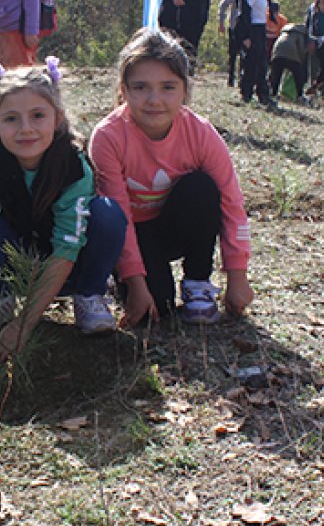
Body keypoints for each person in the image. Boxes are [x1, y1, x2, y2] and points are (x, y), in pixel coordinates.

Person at [0, 60, 126, 361]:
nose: (25, 128)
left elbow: (67, 246)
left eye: (38, 116)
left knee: (107, 214)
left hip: (65, 269)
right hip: (14, 263)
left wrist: (25, 324)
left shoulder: (73, 165)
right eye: (11, 119)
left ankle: (89, 296)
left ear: (57, 118)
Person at [89, 28, 254, 327]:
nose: (154, 99)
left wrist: (237, 276)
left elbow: (232, 204)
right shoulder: (108, 137)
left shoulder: (201, 133)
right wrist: (135, 282)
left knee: (201, 187)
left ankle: (197, 283)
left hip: (174, 227)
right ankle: (119, 279)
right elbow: (117, 214)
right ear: (124, 90)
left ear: (184, 90)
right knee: (157, 309)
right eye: (141, 87)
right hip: (133, 232)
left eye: (168, 87)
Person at [238, 0, 276, 106]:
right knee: (252, 64)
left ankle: (263, 94)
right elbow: (244, 16)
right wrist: (246, 37)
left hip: (260, 30)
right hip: (252, 30)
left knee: (262, 64)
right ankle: (246, 93)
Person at [217, 0, 248, 88]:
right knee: (233, 54)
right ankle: (231, 79)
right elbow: (224, 4)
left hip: (248, 29)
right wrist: (221, 22)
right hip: (234, 27)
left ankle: (242, 79)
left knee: (245, 55)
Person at [269, 23, 308, 101]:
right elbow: (301, 48)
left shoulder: (283, 32)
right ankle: (300, 95)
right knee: (298, 75)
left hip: (277, 53)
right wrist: (302, 59)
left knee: (276, 75)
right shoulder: (299, 34)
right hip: (291, 54)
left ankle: (273, 93)